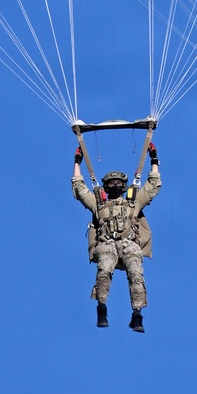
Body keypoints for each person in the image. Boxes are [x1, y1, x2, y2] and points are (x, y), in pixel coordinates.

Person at [72, 142, 161, 333]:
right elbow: (80, 190)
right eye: (111, 183)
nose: (115, 185)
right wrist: (77, 163)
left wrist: (154, 159)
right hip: (107, 244)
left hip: (129, 244)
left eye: (118, 183)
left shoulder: (133, 201)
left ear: (124, 185)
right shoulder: (99, 204)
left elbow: (153, 186)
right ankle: (101, 309)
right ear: (105, 186)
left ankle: (137, 315)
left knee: (136, 274)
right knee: (104, 270)